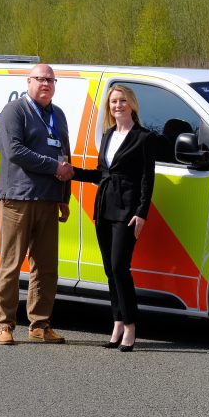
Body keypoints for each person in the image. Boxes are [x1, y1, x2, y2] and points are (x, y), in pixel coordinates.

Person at [0, 64, 74, 345]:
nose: (46, 84)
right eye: (40, 79)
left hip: (48, 200)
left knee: (46, 266)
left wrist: (64, 196)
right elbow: (15, 151)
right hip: (18, 198)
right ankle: (4, 325)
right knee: (11, 264)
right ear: (28, 82)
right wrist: (54, 167)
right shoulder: (14, 111)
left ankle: (40, 324)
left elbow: (65, 156)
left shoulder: (58, 114)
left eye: (51, 80)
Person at [73, 85, 156, 352]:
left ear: (131, 104)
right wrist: (72, 173)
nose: (117, 106)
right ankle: (117, 322)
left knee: (121, 266)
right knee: (110, 269)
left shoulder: (143, 138)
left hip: (128, 210)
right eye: (112, 102)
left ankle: (131, 326)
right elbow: (101, 174)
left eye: (121, 101)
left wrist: (142, 213)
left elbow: (147, 179)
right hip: (105, 206)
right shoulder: (108, 135)